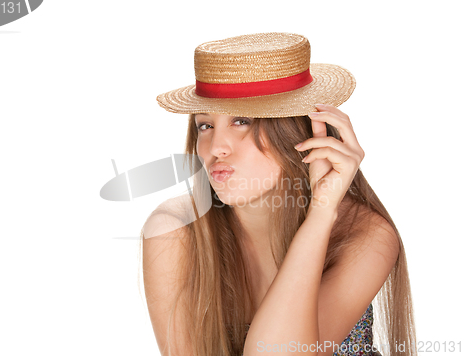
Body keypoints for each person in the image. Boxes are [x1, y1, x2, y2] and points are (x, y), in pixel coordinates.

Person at [140, 33, 416, 356]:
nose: (216, 148)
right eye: (205, 126)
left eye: (241, 121)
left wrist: (322, 213)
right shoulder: (174, 234)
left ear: (293, 129)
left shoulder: (367, 237)